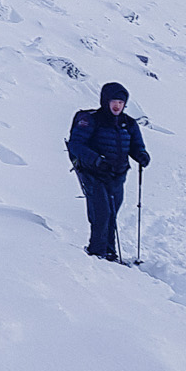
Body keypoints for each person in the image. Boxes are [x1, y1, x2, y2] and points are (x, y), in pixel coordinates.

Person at [68, 82, 150, 260]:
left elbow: (136, 145)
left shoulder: (128, 123)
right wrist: (97, 161)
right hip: (93, 174)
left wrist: (142, 155)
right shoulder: (90, 120)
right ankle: (97, 252)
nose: (117, 106)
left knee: (112, 212)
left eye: (121, 102)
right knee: (101, 212)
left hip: (118, 175)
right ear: (105, 101)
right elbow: (76, 145)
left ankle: (109, 251)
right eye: (114, 101)